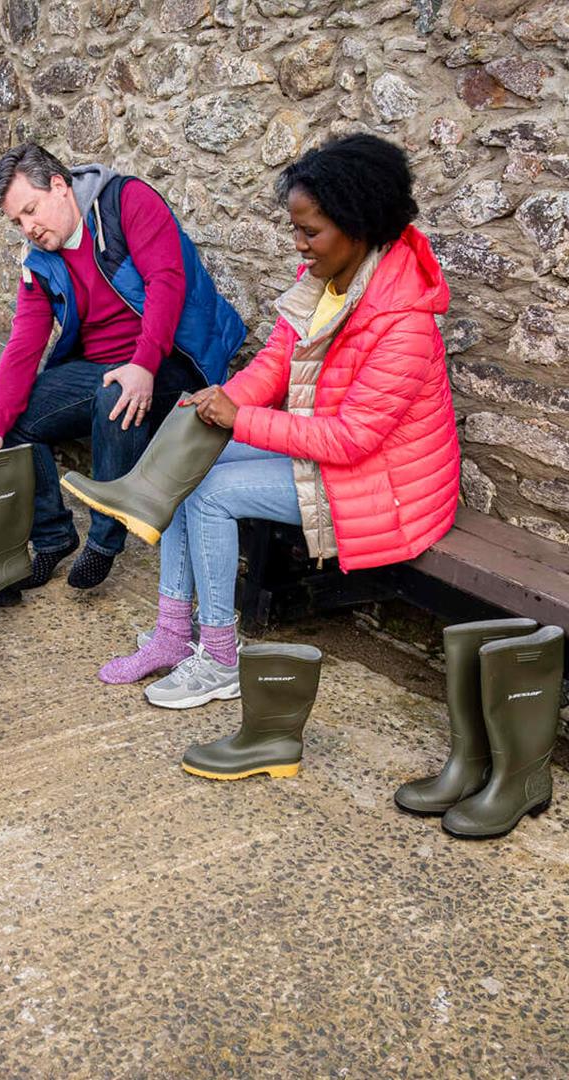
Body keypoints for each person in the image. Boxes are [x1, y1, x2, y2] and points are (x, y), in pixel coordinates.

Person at [94, 133, 460, 709]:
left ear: (358, 227)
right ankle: (171, 634)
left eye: (309, 231)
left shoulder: (404, 322)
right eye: (296, 229)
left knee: (210, 492)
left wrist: (238, 420)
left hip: (382, 488)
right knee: (196, 460)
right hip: (335, 460)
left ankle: (218, 658)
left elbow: (352, 438)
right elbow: (275, 361)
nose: (299, 244)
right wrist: (218, 408)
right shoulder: (327, 282)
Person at [0, 143, 247, 594]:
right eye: (18, 222)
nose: (29, 228)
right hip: (101, 366)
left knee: (118, 393)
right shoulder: (39, 263)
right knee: (13, 416)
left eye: (31, 211)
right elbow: (24, 345)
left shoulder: (126, 201)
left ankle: (105, 542)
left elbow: (167, 282)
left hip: (175, 360)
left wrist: (143, 364)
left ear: (58, 185)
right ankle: (53, 537)